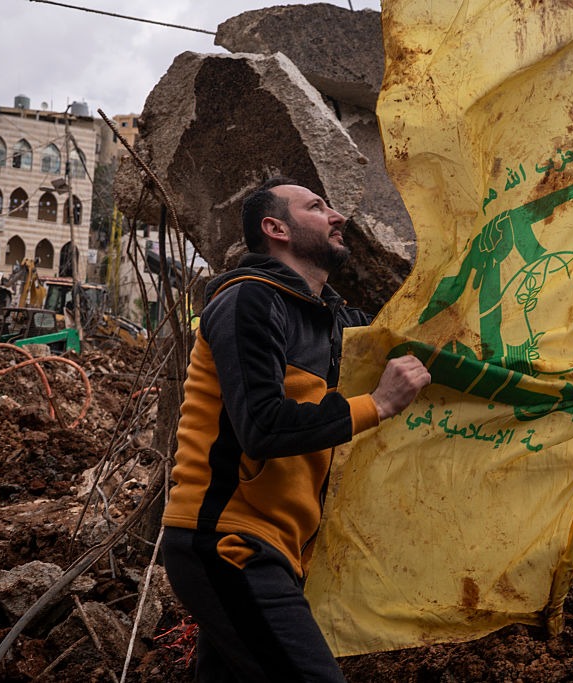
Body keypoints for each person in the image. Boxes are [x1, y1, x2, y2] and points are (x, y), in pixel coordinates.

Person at [162, 177, 431, 682]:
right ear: (276, 228)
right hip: (228, 539)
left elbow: (426, 344)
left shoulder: (335, 323)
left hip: (277, 549)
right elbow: (262, 426)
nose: (337, 216)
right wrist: (377, 404)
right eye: (316, 206)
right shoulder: (247, 300)